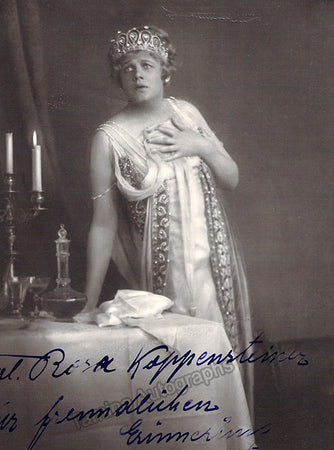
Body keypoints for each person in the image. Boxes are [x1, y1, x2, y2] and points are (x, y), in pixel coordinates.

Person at [84, 25, 253, 405]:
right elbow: (103, 224)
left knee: (223, 363)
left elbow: (231, 179)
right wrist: (89, 301)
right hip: (160, 279)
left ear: (165, 71)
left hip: (216, 268)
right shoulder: (108, 138)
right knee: (178, 376)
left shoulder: (186, 113)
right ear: (118, 77)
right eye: (127, 68)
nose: (138, 74)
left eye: (147, 65)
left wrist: (200, 145)